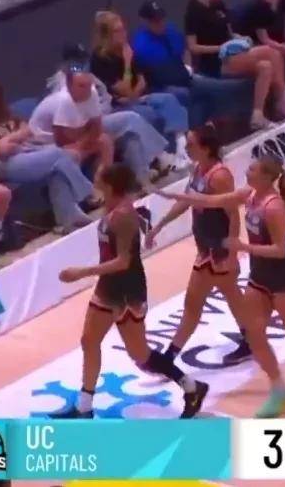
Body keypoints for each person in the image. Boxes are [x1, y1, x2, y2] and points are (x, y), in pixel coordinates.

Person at [157, 155, 285, 416]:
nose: (247, 172)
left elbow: (280, 249)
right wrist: (175, 196)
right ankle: (279, 389)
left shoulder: (273, 207)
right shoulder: (249, 194)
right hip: (259, 276)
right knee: (254, 334)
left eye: (253, 169)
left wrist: (243, 247)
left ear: (266, 177)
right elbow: (212, 201)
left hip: (284, 278)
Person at [54, 163, 208, 418]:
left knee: (140, 354)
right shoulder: (111, 208)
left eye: (98, 177)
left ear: (110, 184)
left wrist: (81, 273)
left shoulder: (124, 215)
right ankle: (84, 407)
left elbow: (123, 261)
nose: (94, 180)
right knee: (89, 341)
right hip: (108, 286)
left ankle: (191, 387)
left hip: (127, 290)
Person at [146, 126, 253, 365]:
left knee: (196, 305)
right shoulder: (197, 170)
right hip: (205, 248)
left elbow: (233, 215)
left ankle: (168, 359)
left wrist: (232, 254)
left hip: (219, 251)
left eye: (191, 144)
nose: (186, 148)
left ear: (205, 148)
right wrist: (159, 226)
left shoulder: (219, 176)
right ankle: (252, 340)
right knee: (228, 297)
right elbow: (186, 201)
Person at [0, 81, 95, 233]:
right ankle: (88, 192)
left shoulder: (4, 112)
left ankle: (69, 218)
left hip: (21, 152)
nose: (1, 99)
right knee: (60, 154)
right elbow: (0, 150)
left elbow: (30, 129)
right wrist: (16, 137)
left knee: (58, 167)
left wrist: (10, 139)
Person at [185, 0, 285, 126]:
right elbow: (193, 47)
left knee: (268, 63)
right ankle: (284, 100)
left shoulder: (218, 5)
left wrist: (240, 38)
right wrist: (220, 48)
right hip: (217, 60)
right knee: (268, 56)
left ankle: (260, 114)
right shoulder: (193, 12)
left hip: (233, 52)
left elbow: (229, 32)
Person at [31, 67, 169, 188]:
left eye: (88, 85)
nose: (86, 90)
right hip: (47, 142)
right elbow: (62, 139)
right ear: (69, 86)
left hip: (82, 130)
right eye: (81, 86)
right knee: (110, 136)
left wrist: (88, 138)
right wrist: (86, 142)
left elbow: (97, 125)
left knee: (128, 127)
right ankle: (159, 156)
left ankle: (141, 177)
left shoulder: (91, 92)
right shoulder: (64, 100)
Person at [90, 10, 188, 168]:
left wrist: (133, 95)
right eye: (117, 31)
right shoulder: (100, 59)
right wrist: (127, 63)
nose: (123, 34)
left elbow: (142, 80)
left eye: (123, 29)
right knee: (148, 113)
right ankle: (162, 158)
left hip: (136, 98)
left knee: (168, 99)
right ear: (107, 35)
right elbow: (124, 89)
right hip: (117, 106)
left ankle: (181, 148)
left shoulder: (127, 48)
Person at [132, 1, 251, 130]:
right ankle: (194, 131)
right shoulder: (141, 44)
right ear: (145, 22)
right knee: (189, 93)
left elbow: (185, 50)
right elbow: (156, 75)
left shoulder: (170, 30)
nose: (161, 23)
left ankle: (205, 127)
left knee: (224, 87)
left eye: (162, 19)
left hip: (185, 77)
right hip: (163, 87)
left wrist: (189, 68)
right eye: (155, 21)